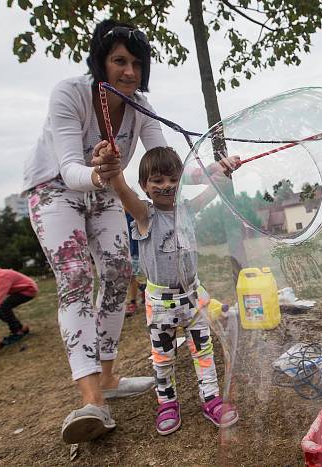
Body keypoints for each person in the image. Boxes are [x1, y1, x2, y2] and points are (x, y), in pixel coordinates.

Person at [22, 19, 159, 444]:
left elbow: (161, 161)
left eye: (137, 63)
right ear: (100, 60)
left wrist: (211, 169)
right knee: (77, 279)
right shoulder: (70, 92)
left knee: (120, 273)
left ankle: (109, 377)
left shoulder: (141, 107)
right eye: (120, 61)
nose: (130, 72)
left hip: (104, 188)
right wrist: (101, 173)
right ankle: (92, 401)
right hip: (54, 188)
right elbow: (69, 167)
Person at [109, 146, 241, 436]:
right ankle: (167, 403)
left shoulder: (187, 210)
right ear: (145, 186)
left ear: (180, 182)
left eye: (172, 179)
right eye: (156, 181)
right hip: (160, 304)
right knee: (163, 357)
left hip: (193, 298)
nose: (166, 186)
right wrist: (113, 168)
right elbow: (121, 189)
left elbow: (216, 186)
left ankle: (211, 399)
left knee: (203, 351)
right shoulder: (144, 215)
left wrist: (225, 170)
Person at [124, 212, 144, 316]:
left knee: (131, 276)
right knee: (128, 277)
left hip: (134, 250)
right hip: (125, 250)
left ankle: (132, 302)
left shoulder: (133, 213)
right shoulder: (117, 213)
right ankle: (143, 289)